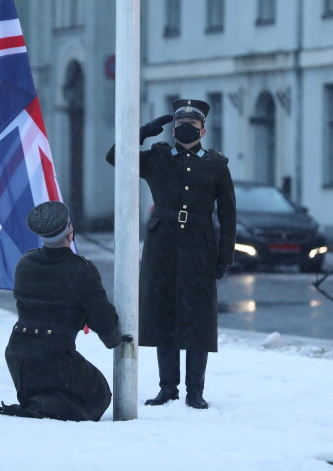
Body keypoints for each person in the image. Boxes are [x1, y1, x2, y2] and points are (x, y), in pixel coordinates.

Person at [106, 98, 236, 409]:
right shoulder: (157, 157)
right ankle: (168, 388)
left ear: (203, 130)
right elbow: (116, 158)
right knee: (162, 314)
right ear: (173, 130)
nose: (186, 129)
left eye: (192, 125)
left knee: (197, 318)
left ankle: (195, 391)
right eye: (180, 125)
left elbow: (229, 215)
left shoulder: (216, 164)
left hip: (200, 245)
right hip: (162, 244)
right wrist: (140, 133)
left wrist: (224, 256)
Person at [0, 201, 130, 421]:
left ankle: (41, 405)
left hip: (19, 356)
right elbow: (102, 316)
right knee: (98, 392)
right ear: (70, 234)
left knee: (51, 394)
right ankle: (47, 407)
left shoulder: (25, 263)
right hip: (54, 355)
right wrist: (115, 338)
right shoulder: (81, 269)